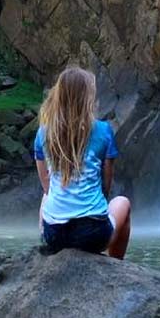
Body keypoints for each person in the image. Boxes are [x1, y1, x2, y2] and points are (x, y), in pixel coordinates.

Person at [33, 66, 131, 259]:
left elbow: (46, 185)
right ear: (87, 98)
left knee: (47, 197)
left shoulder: (43, 133)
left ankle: (48, 248)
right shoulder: (103, 131)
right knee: (122, 202)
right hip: (94, 236)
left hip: (55, 236)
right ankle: (116, 265)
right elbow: (105, 187)